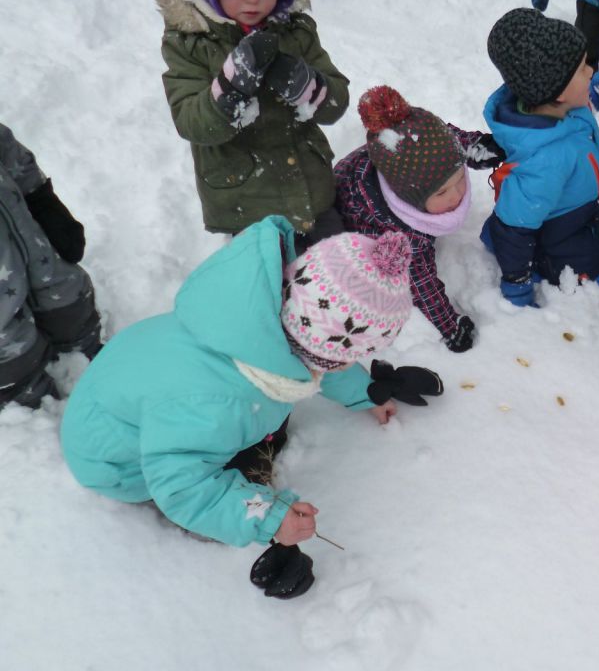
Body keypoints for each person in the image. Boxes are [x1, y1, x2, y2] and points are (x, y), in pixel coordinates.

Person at [61, 218, 442, 598]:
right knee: (231, 474)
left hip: (141, 395)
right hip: (120, 464)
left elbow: (317, 363)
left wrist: (366, 393)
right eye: (344, 359)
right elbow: (183, 489)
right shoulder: (215, 407)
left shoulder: (259, 316)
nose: (340, 366)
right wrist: (270, 519)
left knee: (269, 408)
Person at [156, 0, 350, 249]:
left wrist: (306, 85)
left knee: (340, 271)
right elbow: (191, 122)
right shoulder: (191, 41)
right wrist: (230, 88)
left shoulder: (294, 29)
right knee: (268, 281)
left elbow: (336, 102)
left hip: (312, 193)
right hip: (246, 207)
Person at [334, 85, 500, 353]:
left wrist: (475, 147)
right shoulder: (402, 234)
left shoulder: (414, 150)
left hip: (388, 167)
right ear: (411, 199)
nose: (457, 194)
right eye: (442, 192)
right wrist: (451, 326)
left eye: (460, 178)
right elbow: (422, 285)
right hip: (353, 220)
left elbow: (447, 140)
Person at [481, 8, 599, 308]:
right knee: (594, 265)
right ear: (558, 92)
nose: (591, 70)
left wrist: (597, 90)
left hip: (589, 209)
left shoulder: (559, 105)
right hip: (561, 235)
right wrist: (516, 285)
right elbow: (514, 228)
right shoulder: (543, 161)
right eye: (584, 68)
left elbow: (579, 105)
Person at [0, 123, 102, 409]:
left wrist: (41, 199)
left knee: (69, 311)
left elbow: (7, 149)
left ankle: (93, 360)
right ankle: (34, 409)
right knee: (18, 374)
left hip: (44, 265)